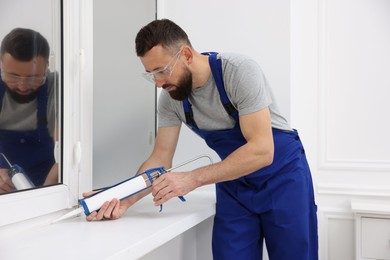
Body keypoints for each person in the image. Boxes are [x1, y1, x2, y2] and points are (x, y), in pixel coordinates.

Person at [86, 19, 318, 260]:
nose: (157, 83)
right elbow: (159, 158)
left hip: (283, 179)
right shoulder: (171, 99)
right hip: (234, 184)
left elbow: (262, 150)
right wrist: (123, 199)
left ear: (186, 55)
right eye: (150, 75)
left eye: (161, 71)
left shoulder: (238, 71)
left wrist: (192, 179)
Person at [0, 28, 58, 193]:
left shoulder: (58, 88)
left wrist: (44, 197)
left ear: (46, 66)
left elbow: (66, 152)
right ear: (0, 63)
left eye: (33, 77)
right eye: (13, 76)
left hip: (48, 187)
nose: (23, 86)